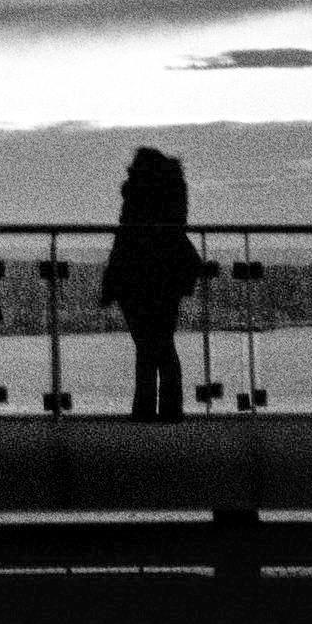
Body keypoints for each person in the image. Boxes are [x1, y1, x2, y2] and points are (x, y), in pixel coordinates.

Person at [97, 145, 194, 421]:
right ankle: (170, 409)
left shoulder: (136, 194)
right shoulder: (172, 192)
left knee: (146, 345)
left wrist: (111, 281)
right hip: (167, 276)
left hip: (135, 276)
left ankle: (144, 409)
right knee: (163, 343)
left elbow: (124, 239)